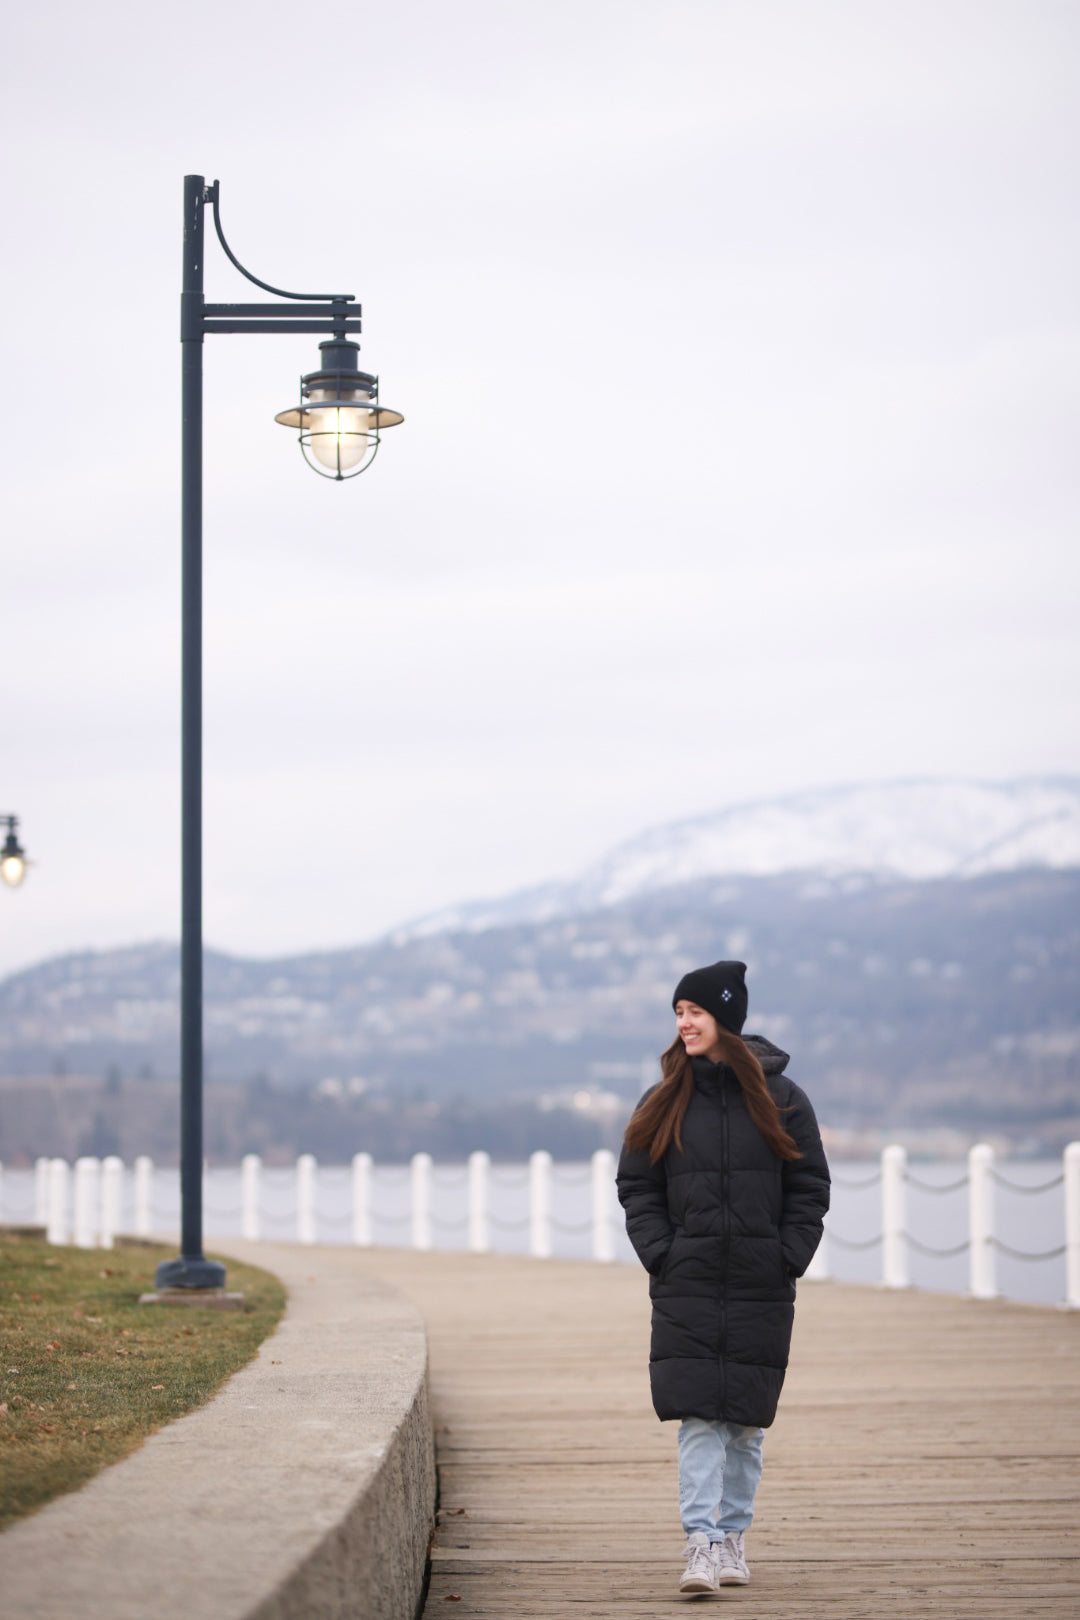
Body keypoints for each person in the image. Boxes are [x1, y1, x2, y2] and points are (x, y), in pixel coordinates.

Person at [616, 959, 829, 1596]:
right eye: (678, 1013)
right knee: (698, 1418)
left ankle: (735, 1537)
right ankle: (700, 1545)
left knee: (744, 1422)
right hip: (689, 1281)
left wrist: (789, 1254)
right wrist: (663, 1253)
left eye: (696, 1012)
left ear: (726, 1019)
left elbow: (810, 1186)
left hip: (763, 1280)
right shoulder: (663, 1099)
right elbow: (637, 1186)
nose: (684, 1023)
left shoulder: (784, 1099)